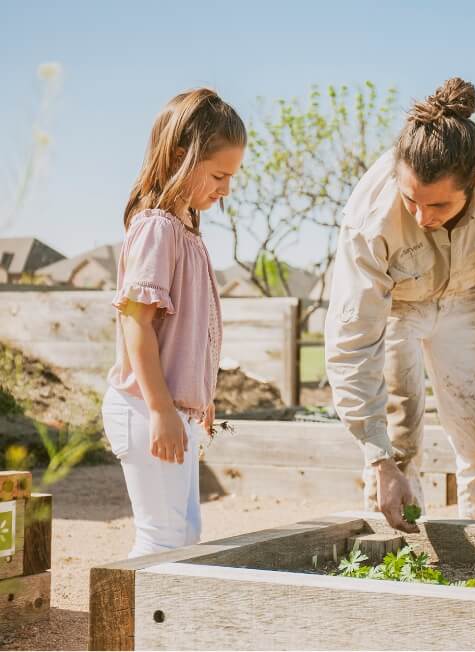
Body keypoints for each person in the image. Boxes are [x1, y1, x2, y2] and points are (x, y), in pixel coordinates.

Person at [325, 78, 475, 532]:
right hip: (398, 305)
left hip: (469, 298)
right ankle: (395, 553)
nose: (421, 216)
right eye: (411, 199)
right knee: (396, 441)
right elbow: (351, 341)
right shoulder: (369, 218)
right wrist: (376, 456)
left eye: (436, 204)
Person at [101, 88, 245, 556]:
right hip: (145, 407)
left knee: (184, 538)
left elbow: (189, 332)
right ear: (182, 156)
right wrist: (163, 409)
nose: (224, 189)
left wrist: (197, 400)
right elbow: (135, 324)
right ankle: (125, 629)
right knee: (162, 539)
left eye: (231, 178)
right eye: (219, 175)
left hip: (169, 410)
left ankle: (157, 631)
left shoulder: (186, 232)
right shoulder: (157, 228)